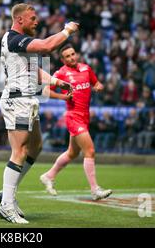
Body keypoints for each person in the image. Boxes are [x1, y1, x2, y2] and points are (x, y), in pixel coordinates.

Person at [0, 3, 78, 224]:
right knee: (20, 151)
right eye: (32, 18)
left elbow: (33, 69)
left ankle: (7, 194)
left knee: (35, 147)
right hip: (17, 100)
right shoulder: (13, 38)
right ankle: (6, 204)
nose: (36, 21)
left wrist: (55, 81)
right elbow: (46, 46)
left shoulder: (19, 43)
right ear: (20, 20)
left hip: (27, 100)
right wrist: (67, 31)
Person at [40, 45, 112, 201]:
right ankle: (95, 189)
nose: (72, 57)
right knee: (90, 150)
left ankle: (48, 175)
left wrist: (99, 86)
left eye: (73, 54)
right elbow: (45, 91)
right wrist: (63, 97)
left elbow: (96, 83)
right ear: (63, 59)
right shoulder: (61, 74)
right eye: (68, 56)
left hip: (85, 116)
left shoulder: (86, 68)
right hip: (73, 117)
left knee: (72, 153)